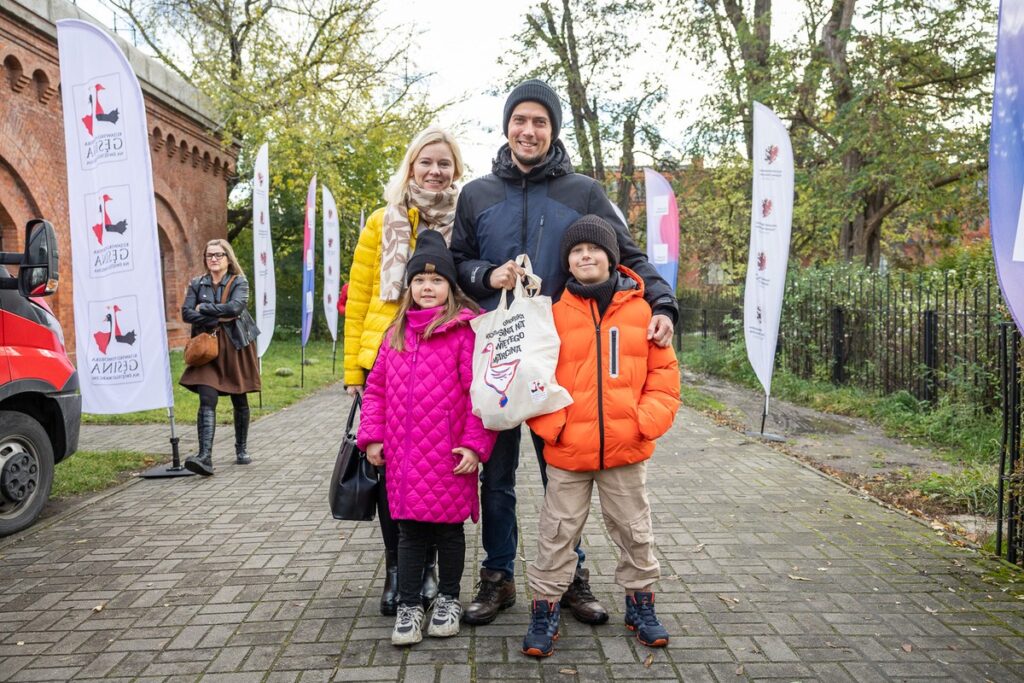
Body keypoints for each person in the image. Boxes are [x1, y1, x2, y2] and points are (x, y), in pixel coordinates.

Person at [450, 78, 679, 626]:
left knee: (564, 474)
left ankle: (570, 580)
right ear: (506, 127)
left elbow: (629, 255)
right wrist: (488, 273)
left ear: (553, 131)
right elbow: (458, 261)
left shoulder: (584, 192)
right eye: (519, 120)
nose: (529, 130)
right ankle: (499, 576)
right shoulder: (478, 193)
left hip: (568, 360)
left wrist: (665, 306)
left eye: (540, 122)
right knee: (497, 474)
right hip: (503, 359)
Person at [521, 215, 680, 656]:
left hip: (626, 450)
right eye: (575, 251)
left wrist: (642, 423)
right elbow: (533, 382)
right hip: (569, 452)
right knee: (556, 535)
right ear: (567, 262)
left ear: (612, 257)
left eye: (593, 249)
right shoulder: (551, 316)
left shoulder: (644, 311)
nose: (585, 256)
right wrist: (556, 429)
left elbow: (664, 378)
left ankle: (641, 605)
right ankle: (545, 609)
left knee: (634, 532)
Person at [344, 126, 465, 615]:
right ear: (410, 166)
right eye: (426, 162)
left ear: (456, 170)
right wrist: (355, 366)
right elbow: (359, 298)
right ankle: (399, 569)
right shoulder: (381, 221)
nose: (434, 172)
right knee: (391, 471)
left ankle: (431, 571)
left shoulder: (467, 221)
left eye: (444, 164)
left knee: (435, 472)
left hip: (441, 359)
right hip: (386, 357)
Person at [357, 230, 497, 646]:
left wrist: (475, 445)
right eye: (420, 280)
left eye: (436, 281)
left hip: (449, 456)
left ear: (450, 288)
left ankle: (450, 599)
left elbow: (481, 394)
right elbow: (377, 389)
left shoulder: (464, 333)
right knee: (409, 533)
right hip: (402, 456)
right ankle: (409, 604)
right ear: (409, 287)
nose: (427, 287)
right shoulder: (395, 333)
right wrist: (372, 438)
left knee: (449, 534)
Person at [180, 238, 261, 476]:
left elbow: (236, 308)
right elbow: (186, 313)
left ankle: (241, 447)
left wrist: (203, 310)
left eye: (218, 255)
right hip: (207, 348)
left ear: (228, 258)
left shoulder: (240, 281)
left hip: (236, 345)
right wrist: (216, 317)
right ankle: (205, 456)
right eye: (209, 255)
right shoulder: (197, 283)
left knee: (239, 396)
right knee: (207, 397)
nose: (213, 259)